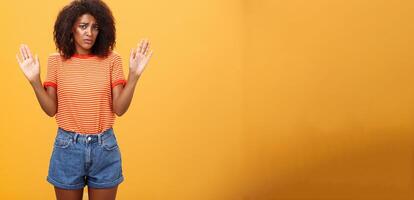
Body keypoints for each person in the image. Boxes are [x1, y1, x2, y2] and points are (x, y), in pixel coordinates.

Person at [16, 0, 153, 199]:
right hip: (67, 147)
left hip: (104, 148)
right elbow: (51, 110)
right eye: (83, 26)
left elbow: (120, 109)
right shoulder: (56, 61)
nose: (89, 32)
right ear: (70, 28)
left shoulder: (112, 60)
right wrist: (35, 81)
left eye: (95, 27)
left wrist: (134, 76)